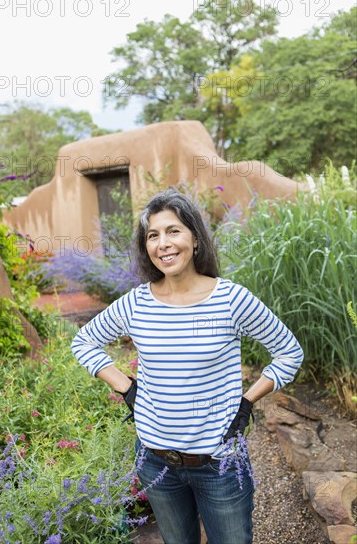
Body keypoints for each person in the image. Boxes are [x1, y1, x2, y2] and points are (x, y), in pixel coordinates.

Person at [71, 188, 304, 544]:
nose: (163, 243)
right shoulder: (136, 304)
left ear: (195, 238)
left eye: (173, 231)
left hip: (220, 464)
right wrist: (127, 387)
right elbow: (83, 341)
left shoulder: (231, 300)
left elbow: (289, 352)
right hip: (155, 462)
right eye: (153, 235)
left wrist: (247, 401)